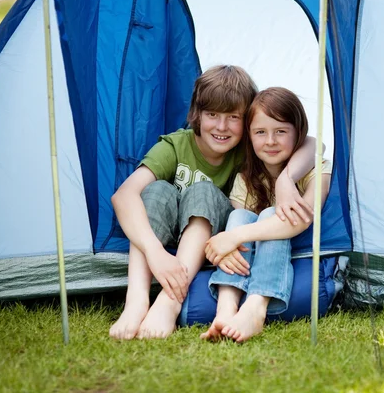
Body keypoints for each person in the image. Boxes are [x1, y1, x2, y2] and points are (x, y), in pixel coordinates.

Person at [110, 66, 318, 340]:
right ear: (197, 114)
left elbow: (314, 144)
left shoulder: (248, 150)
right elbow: (123, 195)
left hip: (215, 233)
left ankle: (170, 301)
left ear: (245, 122)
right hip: (167, 237)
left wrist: (285, 179)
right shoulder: (176, 146)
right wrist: (155, 253)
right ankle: (136, 301)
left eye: (233, 117)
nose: (221, 127)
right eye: (212, 115)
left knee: (203, 191)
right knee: (156, 190)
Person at [200, 87, 332, 343]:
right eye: (260, 132)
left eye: (281, 131)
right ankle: (226, 308)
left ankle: (256, 307)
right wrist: (231, 240)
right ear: (249, 137)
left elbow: (301, 219)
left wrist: (234, 236)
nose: (270, 141)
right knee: (238, 217)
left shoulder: (318, 170)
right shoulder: (245, 179)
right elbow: (239, 227)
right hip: (251, 257)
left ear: (299, 133)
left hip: (296, 247)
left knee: (273, 213)